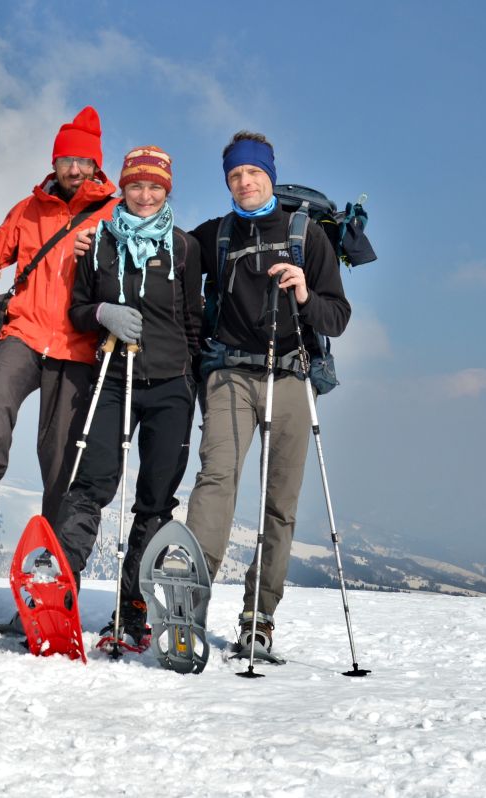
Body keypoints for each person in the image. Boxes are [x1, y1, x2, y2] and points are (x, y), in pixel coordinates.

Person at [185, 131, 350, 652]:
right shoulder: (215, 235)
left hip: (293, 374)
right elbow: (160, 248)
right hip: (230, 373)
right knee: (216, 482)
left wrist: (304, 292)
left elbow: (337, 316)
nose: (244, 182)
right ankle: (190, 598)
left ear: (269, 175)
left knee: (279, 503)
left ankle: (260, 614)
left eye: (252, 172)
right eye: (235, 175)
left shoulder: (307, 236)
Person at [54, 146, 201, 647]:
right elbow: (76, 310)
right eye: (136, 186)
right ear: (123, 187)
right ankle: (60, 587)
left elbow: (194, 318)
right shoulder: (98, 244)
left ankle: (132, 610)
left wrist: (192, 383)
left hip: (170, 384)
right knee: (91, 482)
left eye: (155, 187)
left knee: (156, 498)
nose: (144, 195)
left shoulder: (183, 247)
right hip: (113, 379)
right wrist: (101, 314)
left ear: (167, 191)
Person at [0, 106, 119, 531]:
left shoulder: (112, 215)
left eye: (83, 161)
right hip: (25, 331)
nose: (74, 168)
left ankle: (54, 539)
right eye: (66, 160)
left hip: (78, 344)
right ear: (55, 162)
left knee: (62, 449)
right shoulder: (29, 209)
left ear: (95, 165)